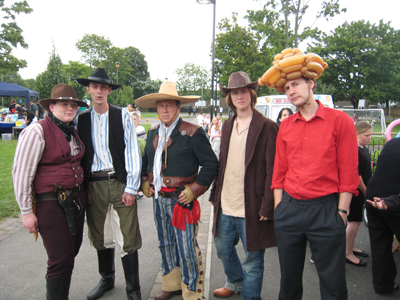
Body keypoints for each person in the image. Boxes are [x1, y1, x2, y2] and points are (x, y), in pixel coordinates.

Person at [270, 50, 359, 300]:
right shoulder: (285, 125)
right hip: (289, 210)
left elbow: (349, 172)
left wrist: (341, 213)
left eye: (296, 84)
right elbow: (279, 171)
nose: (291, 91)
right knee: (288, 282)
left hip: (326, 210)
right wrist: (279, 208)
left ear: (311, 83)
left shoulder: (339, 121)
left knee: (333, 284)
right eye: (287, 87)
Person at [135, 81, 218, 300]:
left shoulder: (193, 133)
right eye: (161, 105)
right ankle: (170, 284)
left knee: (186, 247)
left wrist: (195, 189)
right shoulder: (152, 132)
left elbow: (211, 164)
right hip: (159, 200)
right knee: (166, 243)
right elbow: (145, 162)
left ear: (178, 108)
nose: (164, 110)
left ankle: (191, 291)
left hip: (182, 201)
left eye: (169, 105)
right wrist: (145, 180)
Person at [12, 84, 88, 299]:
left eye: (73, 105)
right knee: (59, 260)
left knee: (70, 254)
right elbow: (21, 173)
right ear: (51, 107)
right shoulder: (37, 130)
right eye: (64, 104)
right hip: (50, 204)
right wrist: (26, 211)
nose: (70, 108)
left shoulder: (71, 131)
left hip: (74, 201)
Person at [209, 71, 278, 299]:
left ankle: (250, 296)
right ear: (229, 97)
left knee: (253, 261)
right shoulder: (227, 126)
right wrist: (214, 194)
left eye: (244, 91)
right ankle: (235, 281)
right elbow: (222, 163)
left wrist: (268, 206)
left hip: (252, 206)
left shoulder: (267, 127)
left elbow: (272, 170)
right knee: (222, 249)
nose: (240, 96)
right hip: (227, 203)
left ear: (251, 93)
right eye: (234, 92)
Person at [76, 68, 142, 300]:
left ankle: (133, 290)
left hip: (119, 181)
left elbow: (132, 151)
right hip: (94, 185)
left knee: (127, 236)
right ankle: (107, 279)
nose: (100, 91)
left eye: (104, 87)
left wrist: (132, 187)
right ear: (89, 90)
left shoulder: (122, 115)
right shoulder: (81, 119)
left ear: (109, 91)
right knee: (101, 236)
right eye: (95, 87)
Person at [365, 137, 400, 295]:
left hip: (373, 195)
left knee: (379, 244)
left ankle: (382, 285)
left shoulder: (392, 143)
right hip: (393, 200)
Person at [345, 121, 373, 267]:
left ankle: (351, 246)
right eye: (366, 135)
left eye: (370, 135)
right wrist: (364, 190)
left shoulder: (363, 149)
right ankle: (347, 252)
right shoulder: (354, 150)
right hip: (357, 190)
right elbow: (357, 174)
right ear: (357, 134)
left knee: (356, 221)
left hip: (361, 189)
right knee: (354, 220)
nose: (369, 138)